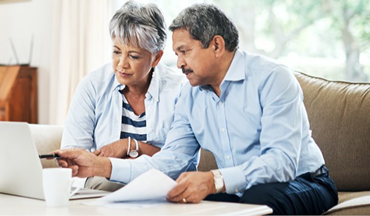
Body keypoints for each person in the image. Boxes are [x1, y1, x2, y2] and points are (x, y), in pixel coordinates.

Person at [56, 3, 338, 214]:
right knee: (195, 207)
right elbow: (170, 161)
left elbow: (281, 163)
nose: (178, 64)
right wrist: (100, 165)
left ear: (216, 45)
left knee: (258, 200)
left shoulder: (272, 78)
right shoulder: (190, 96)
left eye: (184, 51)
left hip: (305, 181)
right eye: (177, 54)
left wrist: (214, 180)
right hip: (242, 188)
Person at [60, 1, 192, 191]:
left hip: (160, 185)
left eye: (134, 56)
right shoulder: (93, 86)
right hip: (104, 185)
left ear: (156, 57)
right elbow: (73, 154)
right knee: (105, 184)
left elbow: (180, 162)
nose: (121, 64)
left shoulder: (180, 90)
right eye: (116, 52)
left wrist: (130, 145)